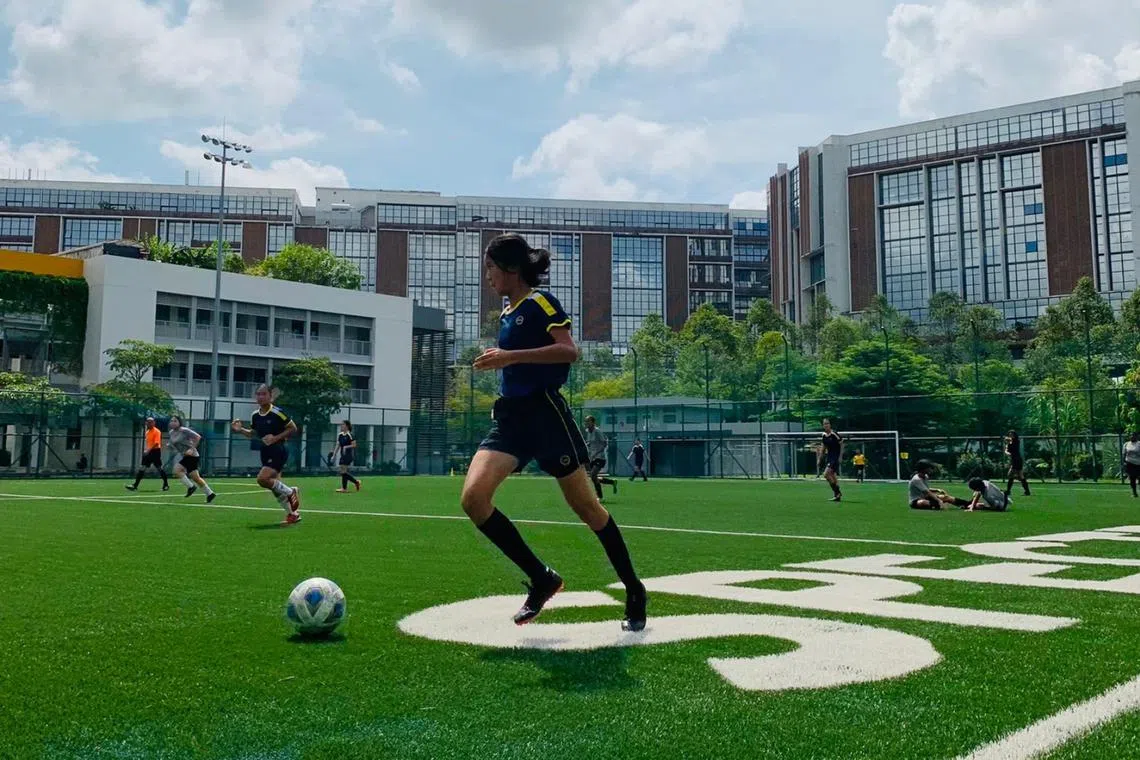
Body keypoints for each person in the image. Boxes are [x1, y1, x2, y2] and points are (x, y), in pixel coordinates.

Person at [460, 233, 647, 632]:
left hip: (546, 417)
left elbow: (569, 351)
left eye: (490, 268)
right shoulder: (508, 313)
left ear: (510, 269)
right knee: (474, 499)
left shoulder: (540, 303)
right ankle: (542, 577)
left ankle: (633, 588)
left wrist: (509, 357)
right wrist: (505, 364)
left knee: (588, 509)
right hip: (510, 420)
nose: (487, 276)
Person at [231, 384, 302, 525]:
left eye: (263, 394)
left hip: (279, 449)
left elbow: (293, 428)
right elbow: (253, 434)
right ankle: (292, 514)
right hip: (266, 451)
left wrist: (275, 438)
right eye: (258, 394)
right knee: (274, 487)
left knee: (262, 479)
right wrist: (240, 430)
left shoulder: (277, 412)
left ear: (271, 396)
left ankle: (290, 491)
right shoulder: (255, 416)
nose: (260, 397)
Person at [167, 415, 216, 503]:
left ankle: (191, 487)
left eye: (175, 421)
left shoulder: (184, 430)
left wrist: (191, 449)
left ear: (179, 422)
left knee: (177, 470)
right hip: (185, 456)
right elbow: (173, 443)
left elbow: (198, 437)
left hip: (192, 455)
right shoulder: (171, 432)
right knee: (196, 478)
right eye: (171, 421)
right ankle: (210, 493)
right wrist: (169, 446)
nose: (173, 423)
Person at [126, 416, 169, 492]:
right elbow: (149, 443)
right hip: (148, 452)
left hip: (155, 452)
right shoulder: (147, 432)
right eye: (148, 422)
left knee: (159, 468)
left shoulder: (157, 431)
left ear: (154, 423)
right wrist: (146, 450)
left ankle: (166, 485)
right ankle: (135, 485)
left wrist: (148, 450)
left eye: (151, 422)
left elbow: (156, 443)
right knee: (142, 468)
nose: (149, 424)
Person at [583, 416, 617, 500]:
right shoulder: (588, 432)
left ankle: (600, 496)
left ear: (593, 423)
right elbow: (590, 443)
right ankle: (611, 482)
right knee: (593, 477)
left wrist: (597, 453)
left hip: (600, 457)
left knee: (593, 475)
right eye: (586, 421)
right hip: (592, 458)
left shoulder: (597, 431)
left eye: (588, 421)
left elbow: (604, 444)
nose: (586, 423)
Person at [331, 420, 362, 494]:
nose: (342, 426)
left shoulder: (350, 435)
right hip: (342, 455)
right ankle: (355, 482)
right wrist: (334, 455)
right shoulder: (340, 435)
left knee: (343, 471)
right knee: (343, 472)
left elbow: (354, 445)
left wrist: (346, 447)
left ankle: (345, 488)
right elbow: (338, 445)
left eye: (343, 424)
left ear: (347, 426)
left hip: (348, 455)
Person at [821, 419, 843, 502]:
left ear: (830, 425)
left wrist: (840, 456)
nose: (826, 425)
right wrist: (820, 458)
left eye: (827, 423)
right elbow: (823, 447)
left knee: (826, 474)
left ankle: (837, 493)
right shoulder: (823, 435)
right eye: (824, 424)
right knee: (832, 476)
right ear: (823, 426)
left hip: (835, 457)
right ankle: (837, 495)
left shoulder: (834, 434)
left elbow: (842, 443)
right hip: (829, 457)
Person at [1004, 430, 1031, 498]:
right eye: (1010, 434)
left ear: (1015, 435)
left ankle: (1008, 491)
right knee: (1019, 476)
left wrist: (1007, 445)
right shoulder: (1010, 443)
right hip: (1015, 460)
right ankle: (1027, 491)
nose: (1010, 436)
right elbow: (1007, 451)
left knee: (1011, 475)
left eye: (1012, 434)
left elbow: (1009, 452)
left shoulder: (1016, 442)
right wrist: (1007, 446)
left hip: (1017, 460)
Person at [1124, 432, 1140, 499]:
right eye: (1131, 435)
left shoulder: (1139, 444)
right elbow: (1124, 454)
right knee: (1132, 478)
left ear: (1136, 437)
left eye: (1133, 435)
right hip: (1129, 463)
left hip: (1138, 464)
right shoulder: (1126, 444)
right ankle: (1134, 492)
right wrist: (1124, 462)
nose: (1132, 437)